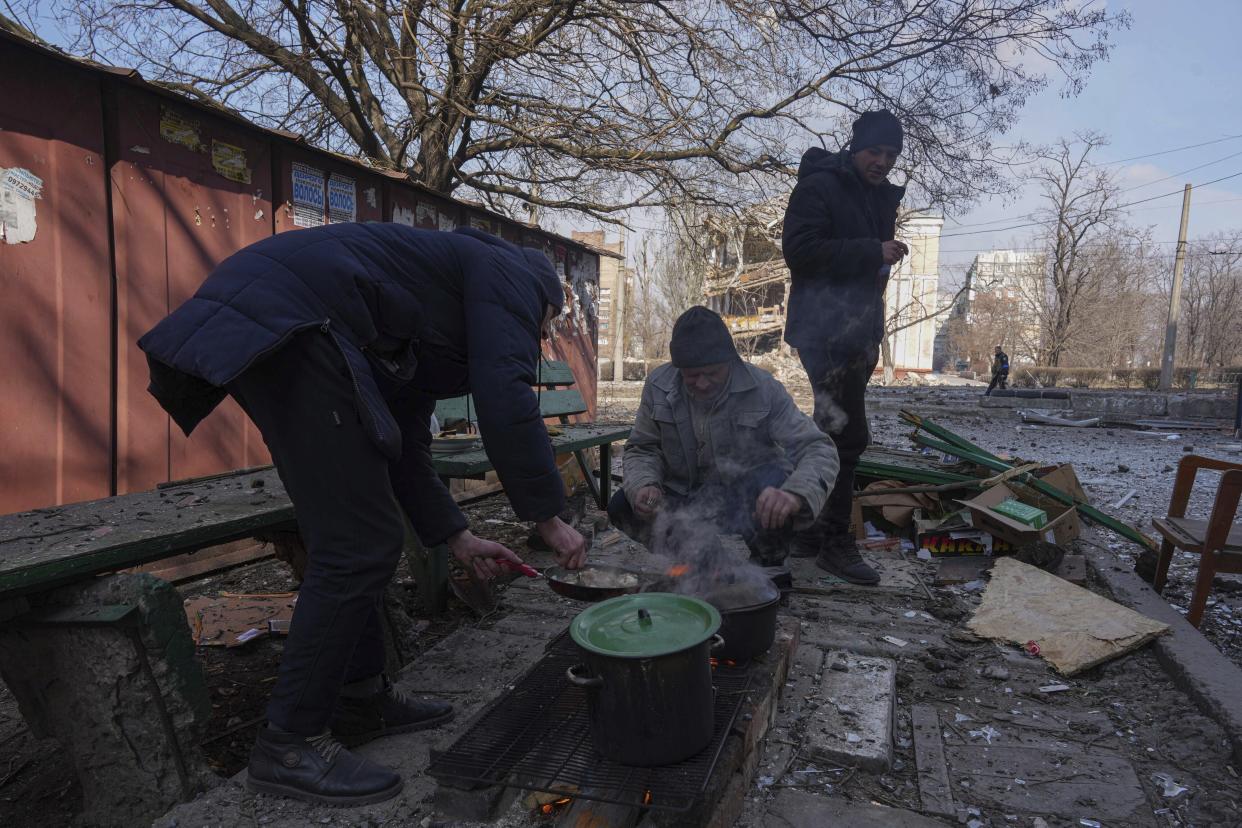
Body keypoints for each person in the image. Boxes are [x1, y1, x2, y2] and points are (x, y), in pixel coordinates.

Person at [138, 223, 589, 806]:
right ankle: (289, 742)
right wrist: (548, 518)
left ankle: (359, 699)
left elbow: (405, 442)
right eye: (546, 326)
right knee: (356, 542)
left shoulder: (437, 304)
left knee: (363, 532)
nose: (543, 337)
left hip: (285, 317)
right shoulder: (512, 274)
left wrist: (457, 538)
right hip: (294, 320)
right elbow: (507, 392)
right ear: (543, 300)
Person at [781, 109, 908, 585]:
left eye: (891, 154)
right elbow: (800, 251)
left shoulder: (878, 197)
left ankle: (810, 532)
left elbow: (862, 266)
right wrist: (870, 251)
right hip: (824, 330)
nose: (882, 161)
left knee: (830, 432)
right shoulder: (820, 186)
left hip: (857, 330)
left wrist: (882, 259)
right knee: (847, 435)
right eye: (875, 150)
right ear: (856, 146)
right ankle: (835, 541)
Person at [609, 307, 839, 565]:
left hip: (741, 499)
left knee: (773, 484)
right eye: (692, 376)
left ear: (731, 362)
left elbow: (818, 449)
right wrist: (644, 485)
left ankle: (768, 569)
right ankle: (703, 565)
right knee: (623, 506)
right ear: (679, 369)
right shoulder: (658, 386)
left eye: (713, 373)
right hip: (684, 498)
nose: (703, 383)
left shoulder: (763, 389)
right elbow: (643, 448)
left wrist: (795, 494)